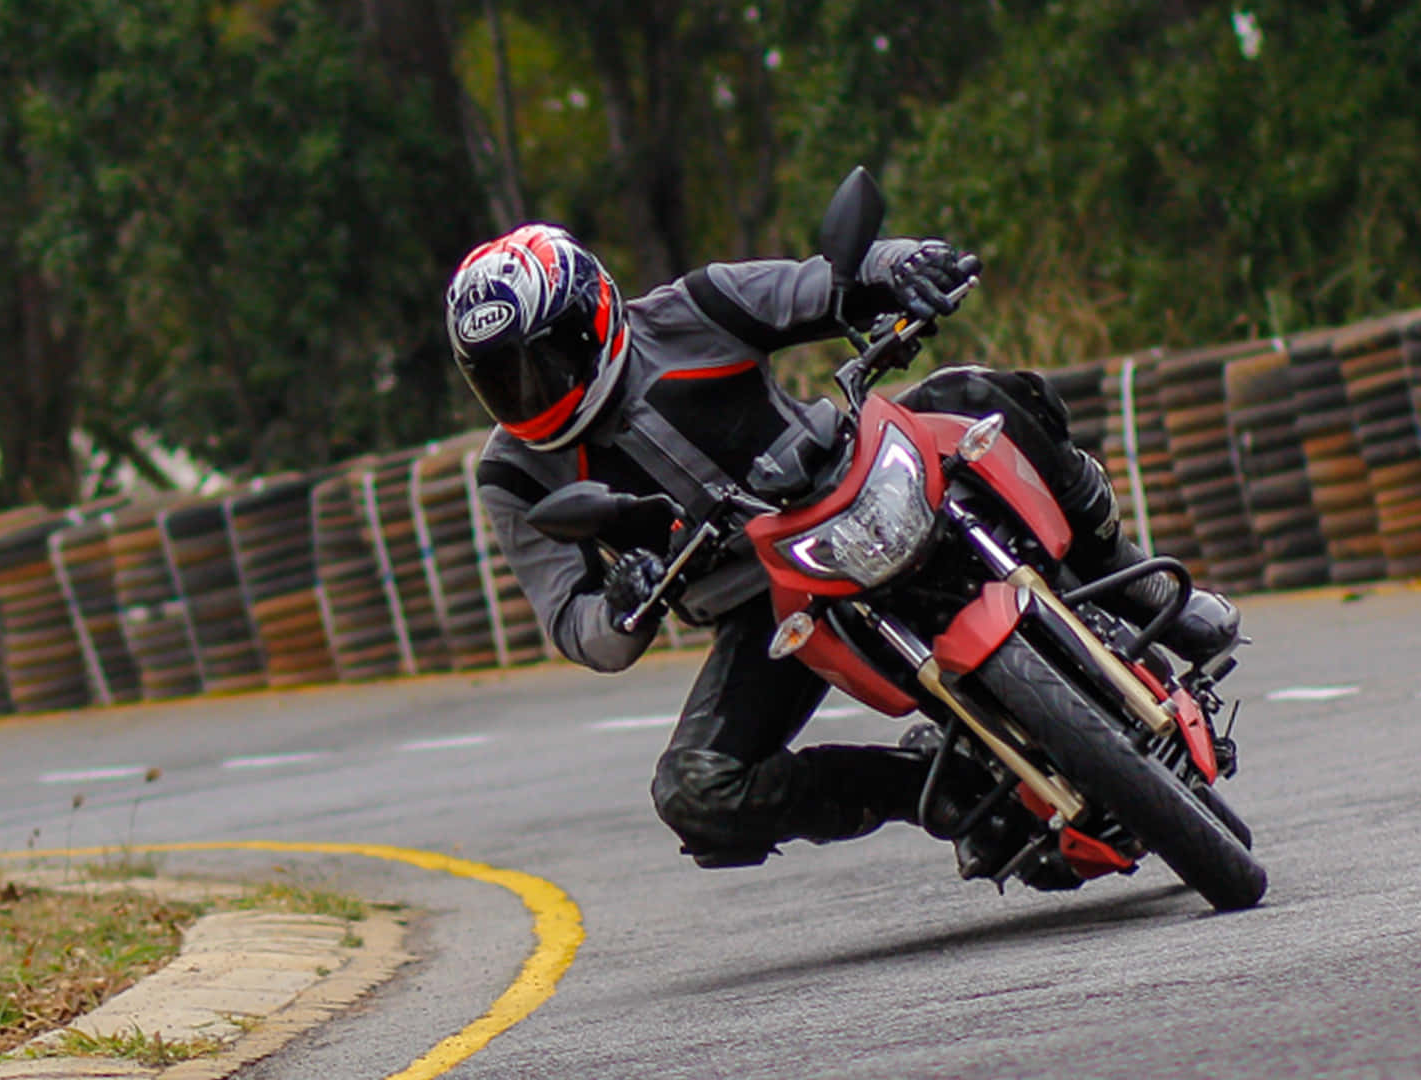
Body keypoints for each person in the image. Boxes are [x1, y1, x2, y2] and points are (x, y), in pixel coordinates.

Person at [445, 223, 1240, 875]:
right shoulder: (514, 474)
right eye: (504, 379)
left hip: (853, 476)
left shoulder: (694, 306)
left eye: (545, 362)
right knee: (696, 790)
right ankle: (938, 785)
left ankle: (1133, 584)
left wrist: (908, 266)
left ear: (594, 318)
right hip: (765, 602)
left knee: (980, 392)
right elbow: (573, 623)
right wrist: (619, 608)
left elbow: (831, 280)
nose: (533, 390)